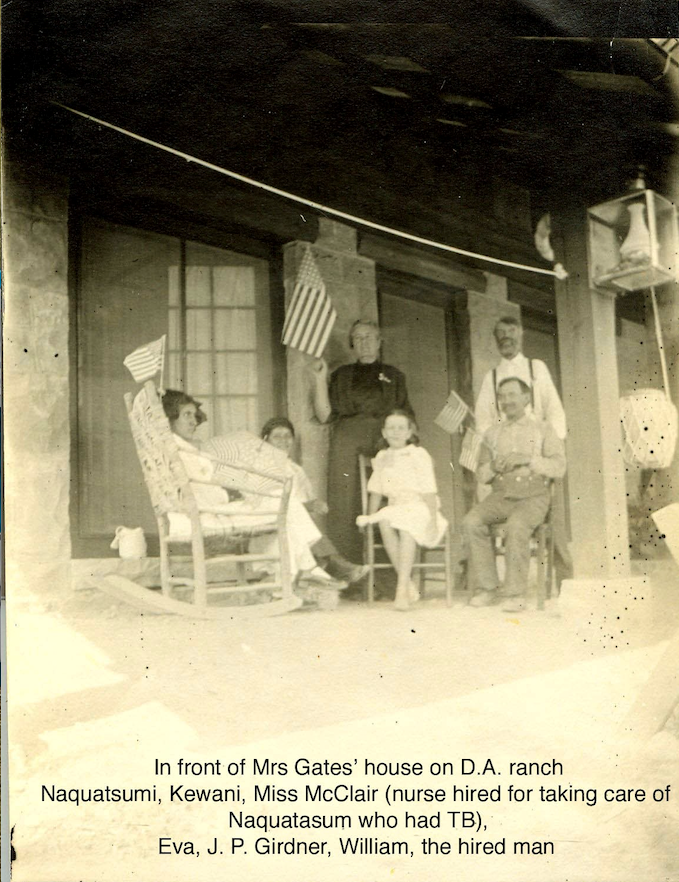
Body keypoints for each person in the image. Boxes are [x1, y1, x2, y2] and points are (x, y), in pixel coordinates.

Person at [160, 390, 342, 588]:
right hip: (207, 515)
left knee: (281, 504)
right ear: (170, 417)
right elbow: (204, 490)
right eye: (187, 414)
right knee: (281, 502)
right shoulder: (180, 452)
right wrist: (231, 492)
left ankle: (297, 573)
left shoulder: (179, 448)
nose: (194, 421)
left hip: (211, 510)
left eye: (194, 415)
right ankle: (305, 568)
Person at [474, 315, 572, 588]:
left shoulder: (536, 367)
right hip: (503, 456)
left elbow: (554, 410)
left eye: (511, 332)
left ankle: (563, 581)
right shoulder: (491, 376)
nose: (506, 338)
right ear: (495, 341)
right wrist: (499, 445)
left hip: (539, 454)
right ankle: (484, 582)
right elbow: (483, 420)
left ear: (521, 335)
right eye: (500, 334)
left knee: (554, 521)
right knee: (484, 512)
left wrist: (542, 446)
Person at [312, 320, 412, 565]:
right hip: (348, 435)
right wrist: (319, 379)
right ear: (352, 346)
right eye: (357, 338)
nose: (364, 342)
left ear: (379, 342)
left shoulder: (394, 375)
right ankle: (348, 571)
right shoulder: (342, 375)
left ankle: (390, 576)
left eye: (369, 337)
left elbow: (407, 418)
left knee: (393, 496)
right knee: (343, 498)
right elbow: (325, 415)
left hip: (385, 434)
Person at [464, 377, 566, 613]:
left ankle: (515, 593)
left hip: (534, 496)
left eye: (512, 395)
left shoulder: (543, 429)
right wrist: (493, 467)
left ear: (526, 398)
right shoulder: (492, 433)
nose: (506, 401)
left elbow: (559, 467)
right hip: (501, 496)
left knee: (516, 526)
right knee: (471, 522)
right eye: (502, 396)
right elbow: (481, 475)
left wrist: (528, 459)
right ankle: (488, 587)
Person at [260, 416, 369, 586]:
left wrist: (314, 505)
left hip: (292, 521)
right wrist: (307, 506)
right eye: (277, 436)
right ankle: (333, 565)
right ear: (266, 440)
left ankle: (323, 570)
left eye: (287, 436)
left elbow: (303, 506)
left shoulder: (295, 470)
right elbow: (260, 500)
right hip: (266, 518)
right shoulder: (259, 467)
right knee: (295, 511)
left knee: (297, 516)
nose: (283, 440)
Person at [356, 410, 448, 611]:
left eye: (400, 428)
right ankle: (408, 585)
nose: (395, 432)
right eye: (391, 428)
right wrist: (371, 516)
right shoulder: (382, 456)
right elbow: (376, 491)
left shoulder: (418, 454)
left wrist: (432, 519)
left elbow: (429, 490)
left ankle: (401, 591)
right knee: (384, 521)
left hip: (421, 507)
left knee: (406, 527)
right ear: (384, 433)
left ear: (408, 433)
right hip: (396, 507)